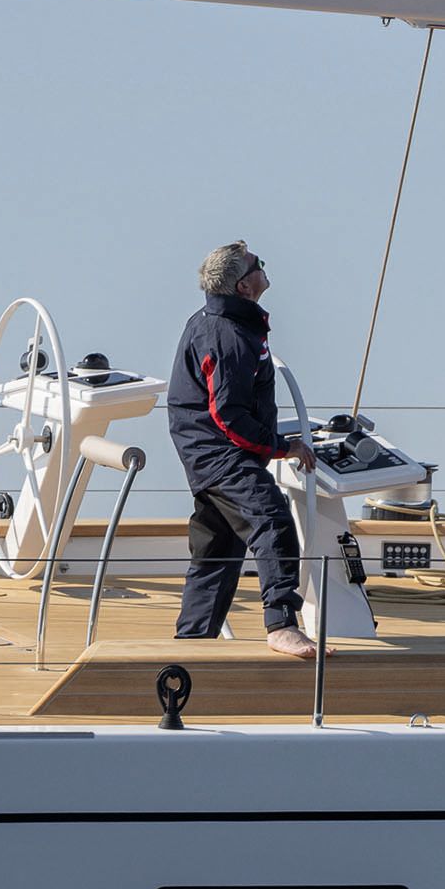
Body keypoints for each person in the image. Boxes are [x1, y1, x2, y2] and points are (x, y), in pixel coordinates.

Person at [167, 241, 318, 659]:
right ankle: (282, 624)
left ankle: (192, 646)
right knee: (271, 519)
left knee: (218, 551)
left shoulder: (227, 323)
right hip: (221, 455)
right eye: (257, 264)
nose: (264, 266)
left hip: (210, 455)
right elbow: (228, 415)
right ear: (244, 286)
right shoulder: (226, 333)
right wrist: (282, 447)